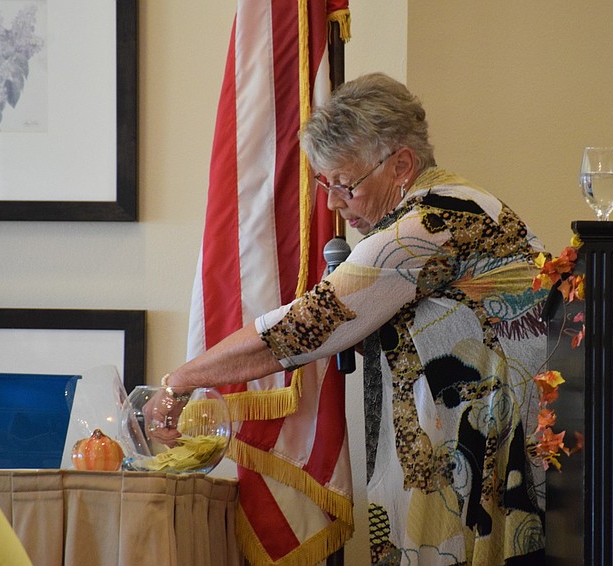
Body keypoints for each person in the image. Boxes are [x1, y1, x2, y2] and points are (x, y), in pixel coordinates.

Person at [159, 72, 549, 564]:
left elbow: (302, 327)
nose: (332, 204)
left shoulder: (432, 222)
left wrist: (181, 381)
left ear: (401, 164)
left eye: (344, 185)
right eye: (325, 185)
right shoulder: (451, 204)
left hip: (489, 469)